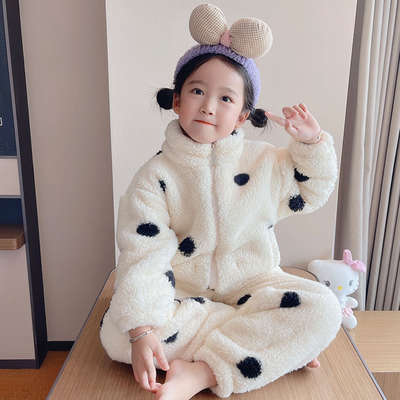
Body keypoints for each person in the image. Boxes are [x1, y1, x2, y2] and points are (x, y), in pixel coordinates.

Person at [100, 4, 342, 400]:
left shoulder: (265, 163)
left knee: (325, 308)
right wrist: (142, 331)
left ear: (243, 115)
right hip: (183, 295)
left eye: (226, 98)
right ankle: (265, 343)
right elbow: (144, 253)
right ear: (177, 100)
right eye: (197, 91)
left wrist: (312, 144)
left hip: (254, 286)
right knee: (117, 334)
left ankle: (202, 372)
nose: (209, 106)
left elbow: (311, 192)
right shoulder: (155, 177)